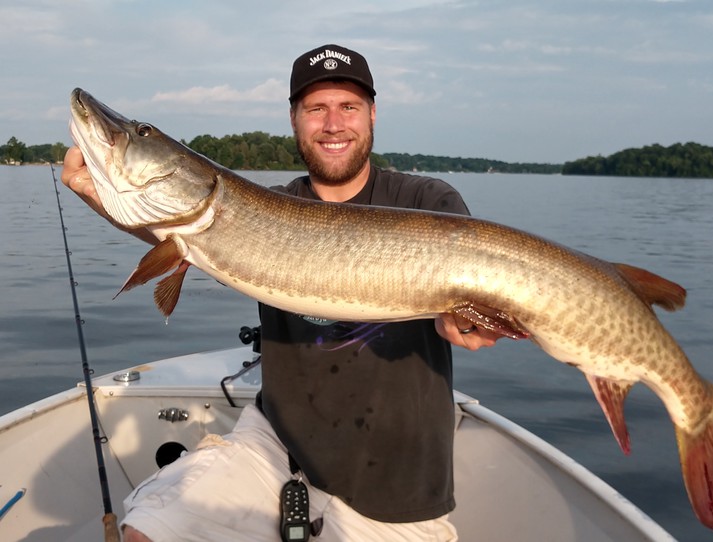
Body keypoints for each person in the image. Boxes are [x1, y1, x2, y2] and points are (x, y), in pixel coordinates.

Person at [62, 44, 507, 542]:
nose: (333, 124)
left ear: (373, 115)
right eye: (316, 108)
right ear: (294, 119)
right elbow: (189, 232)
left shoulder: (427, 201)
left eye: (349, 107)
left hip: (398, 484)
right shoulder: (274, 204)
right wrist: (101, 197)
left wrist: (467, 319)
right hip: (275, 447)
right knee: (145, 531)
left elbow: (476, 285)